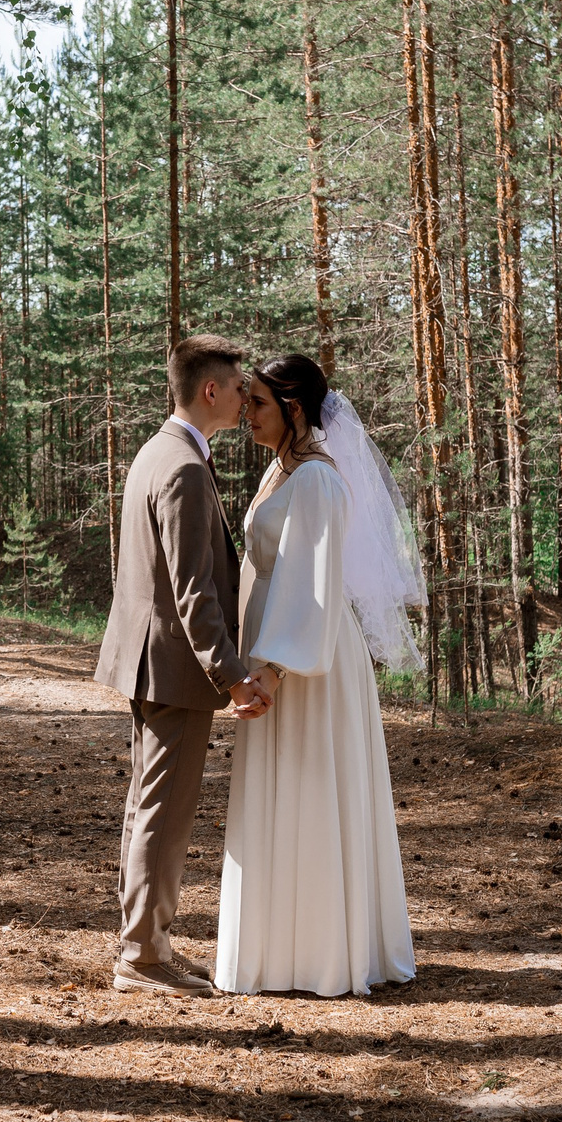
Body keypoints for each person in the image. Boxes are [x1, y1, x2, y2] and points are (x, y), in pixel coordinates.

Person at [216, 352, 418, 998]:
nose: (246, 414)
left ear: (294, 409)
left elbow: (313, 585)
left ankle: (324, 954)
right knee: (283, 795)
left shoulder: (317, 482)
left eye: (258, 404)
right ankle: (280, 952)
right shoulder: (281, 470)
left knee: (311, 789)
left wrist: (273, 670)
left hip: (308, 665)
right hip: (277, 654)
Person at [94, 333, 271, 997]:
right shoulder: (185, 467)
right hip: (171, 666)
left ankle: (145, 941)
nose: (245, 398)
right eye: (239, 387)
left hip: (149, 660)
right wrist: (232, 675)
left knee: (148, 804)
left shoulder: (158, 450)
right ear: (210, 389)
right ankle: (142, 956)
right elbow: (193, 590)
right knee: (164, 810)